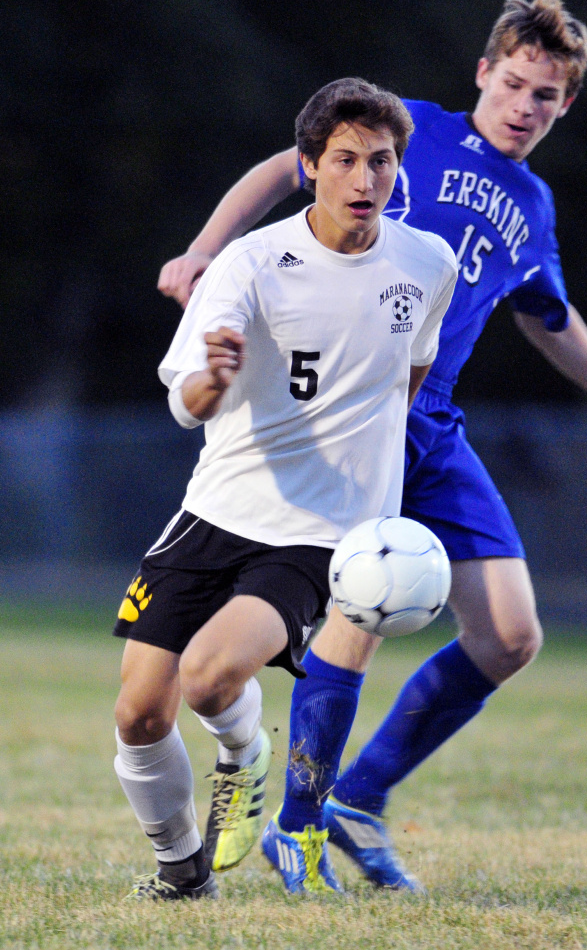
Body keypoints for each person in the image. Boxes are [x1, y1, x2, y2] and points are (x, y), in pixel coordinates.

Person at [157, 0, 587, 893]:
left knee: (509, 636)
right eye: (515, 84)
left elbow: (549, 319)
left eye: (546, 95)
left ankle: (354, 801)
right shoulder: (407, 131)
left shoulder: (530, 202)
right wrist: (204, 250)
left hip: (433, 422)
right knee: (361, 612)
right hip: (353, 412)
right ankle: (292, 825)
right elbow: (277, 171)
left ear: (566, 103)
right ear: (484, 72)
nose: (525, 106)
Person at [112, 76, 457, 900]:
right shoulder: (253, 262)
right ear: (309, 167)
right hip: (217, 508)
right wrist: (213, 380)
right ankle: (181, 868)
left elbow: (407, 378)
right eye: (345, 160)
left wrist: (361, 475)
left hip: (322, 531)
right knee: (139, 716)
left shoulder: (425, 264)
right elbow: (185, 398)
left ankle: (242, 757)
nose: (366, 180)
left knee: (208, 675)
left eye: (381, 161)